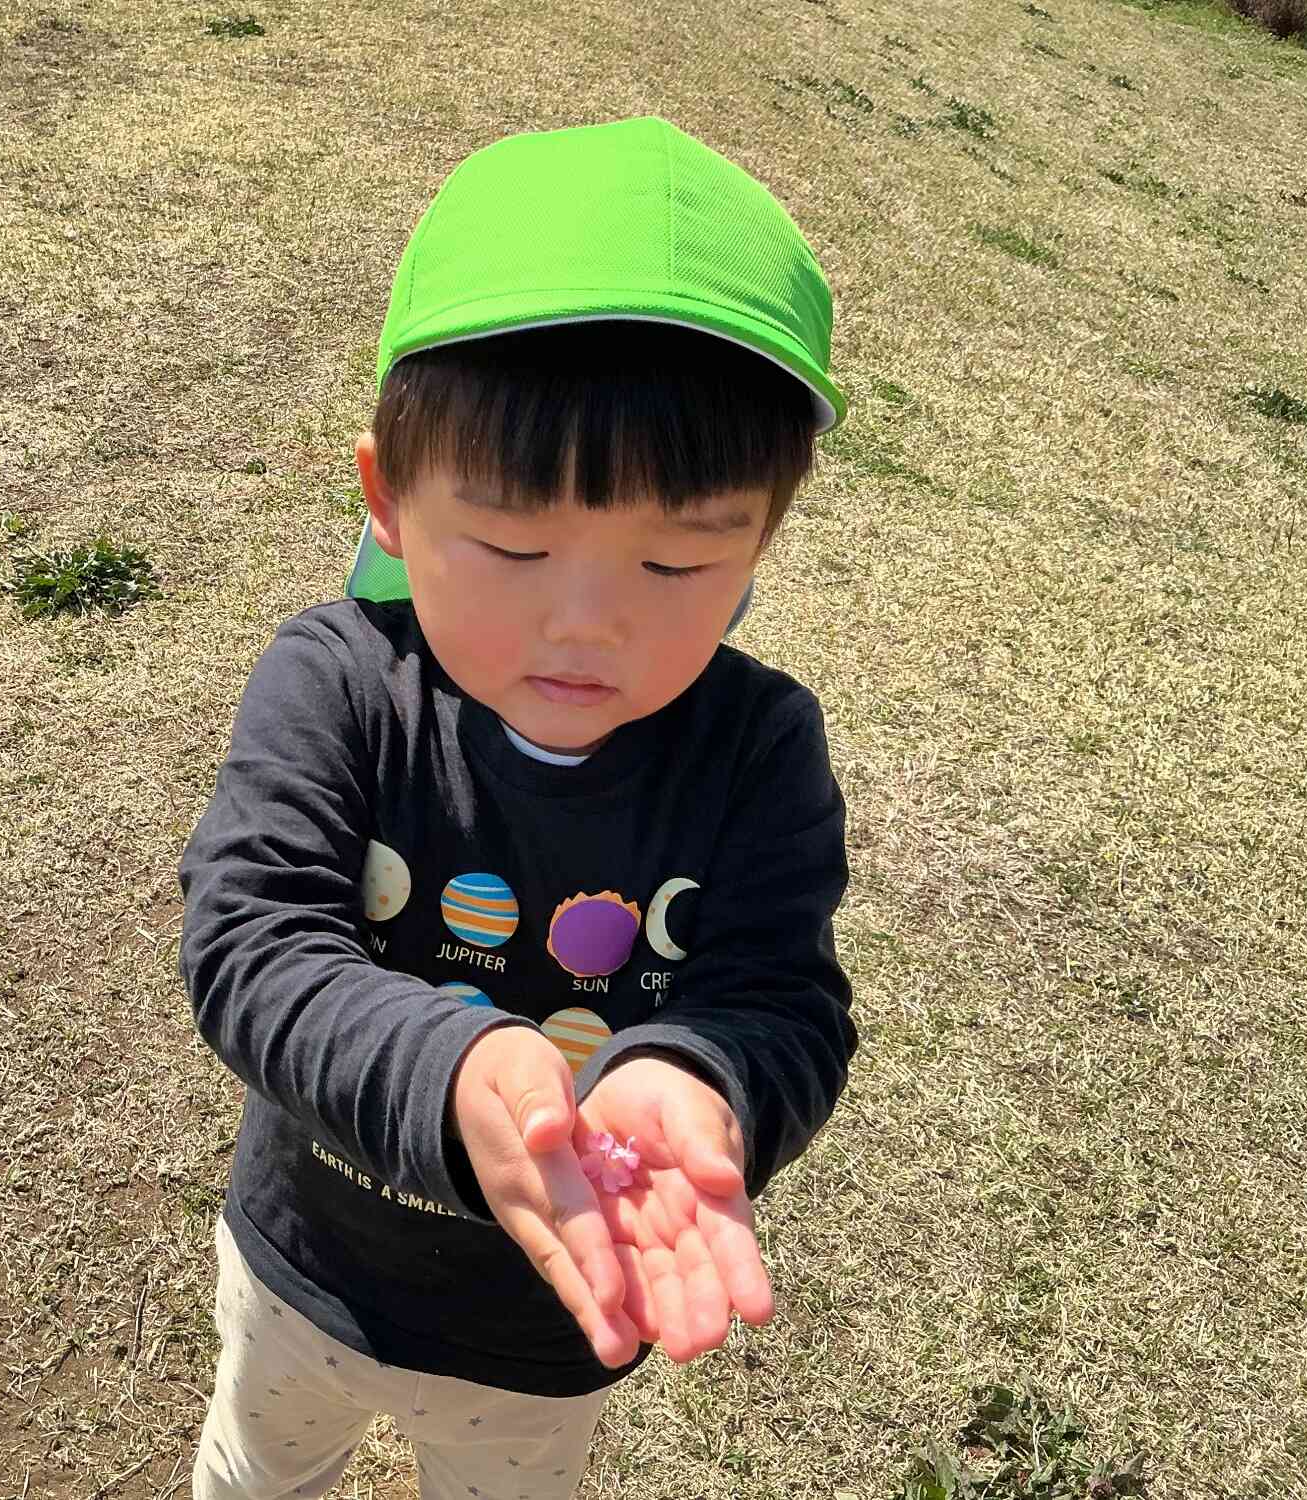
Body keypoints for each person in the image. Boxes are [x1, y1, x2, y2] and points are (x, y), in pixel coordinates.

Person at [178, 115, 860, 1500]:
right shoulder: (340, 685)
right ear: (387, 499)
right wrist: (458, 1069)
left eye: (677, 561)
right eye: (510, 544)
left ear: (762, 542)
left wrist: (691, 1073)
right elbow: (249, 944)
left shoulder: (760, 751)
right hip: (308, 1265)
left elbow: (785, 1002)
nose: (587, 624)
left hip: (547, 1336)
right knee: (259, 1471)